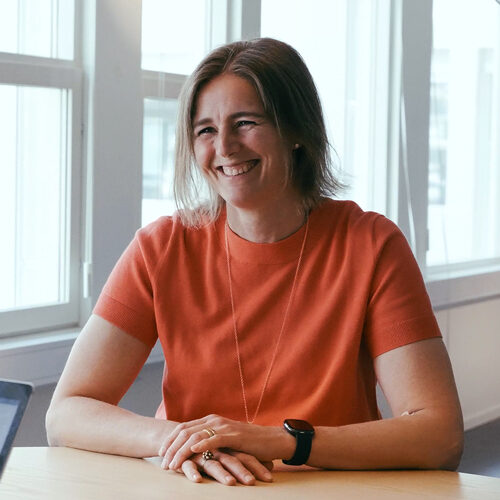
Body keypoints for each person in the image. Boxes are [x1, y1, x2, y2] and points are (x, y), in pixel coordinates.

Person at [46, 38, 463, 486]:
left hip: (328, 491)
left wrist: (284, 441)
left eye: (245, 123)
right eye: (205, 130)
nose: (224, 146)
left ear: (298, 131)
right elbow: (66, 413)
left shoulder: (371, 244)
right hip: (195, 487)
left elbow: (439, 434)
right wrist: (183, 439)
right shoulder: (161, 246)